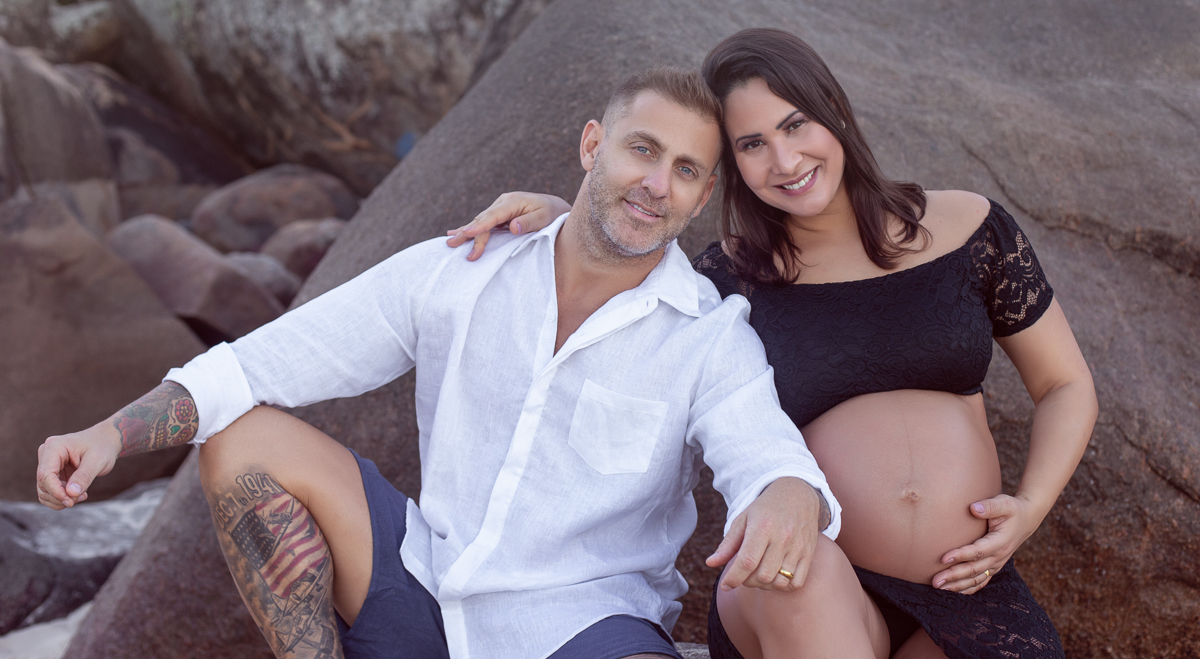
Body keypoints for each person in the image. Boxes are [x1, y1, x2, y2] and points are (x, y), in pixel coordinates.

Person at [34, 67, 851, 659]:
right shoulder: (463, 267)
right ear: (592, 144)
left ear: (702, 196)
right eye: (643, 149)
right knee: (242, 440)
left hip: (583, 628)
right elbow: (262, 364)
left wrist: (786, 489)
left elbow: (762, 449)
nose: (656, 184)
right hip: (423, 584)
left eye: (685, 170)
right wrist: (109, 434)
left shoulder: (708, 336)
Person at [448, 29, 1098, 659]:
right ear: (730, 165)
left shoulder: (970, 227)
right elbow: (619, 286)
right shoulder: (724, 279)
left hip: (967, 586)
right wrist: (564, 214)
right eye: (753, 144)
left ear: (833, 111)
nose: (784, 161)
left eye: (795, 125)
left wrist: (1030, 507)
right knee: (799, 582)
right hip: (800, 584)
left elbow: (1064, 384)